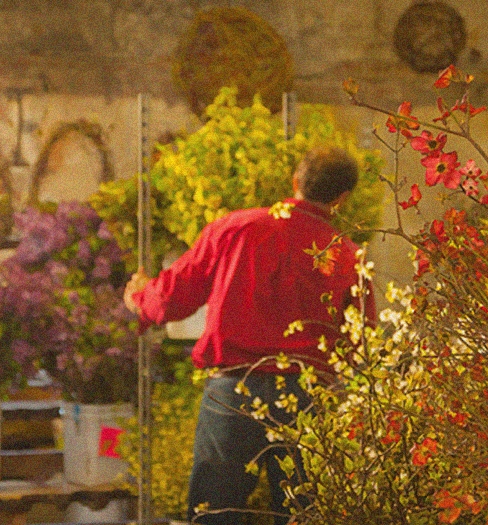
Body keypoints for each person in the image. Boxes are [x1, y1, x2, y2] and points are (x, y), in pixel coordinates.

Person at [123, 146, 374, 525]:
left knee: (216, 513)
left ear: (295, 181)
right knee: (303, 514)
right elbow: (361, 342)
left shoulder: (236, 228)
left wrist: (141, 297)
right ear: (342, 199)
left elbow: (175, 296)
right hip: (308, 398)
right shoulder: (347, 256)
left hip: (234, 394)